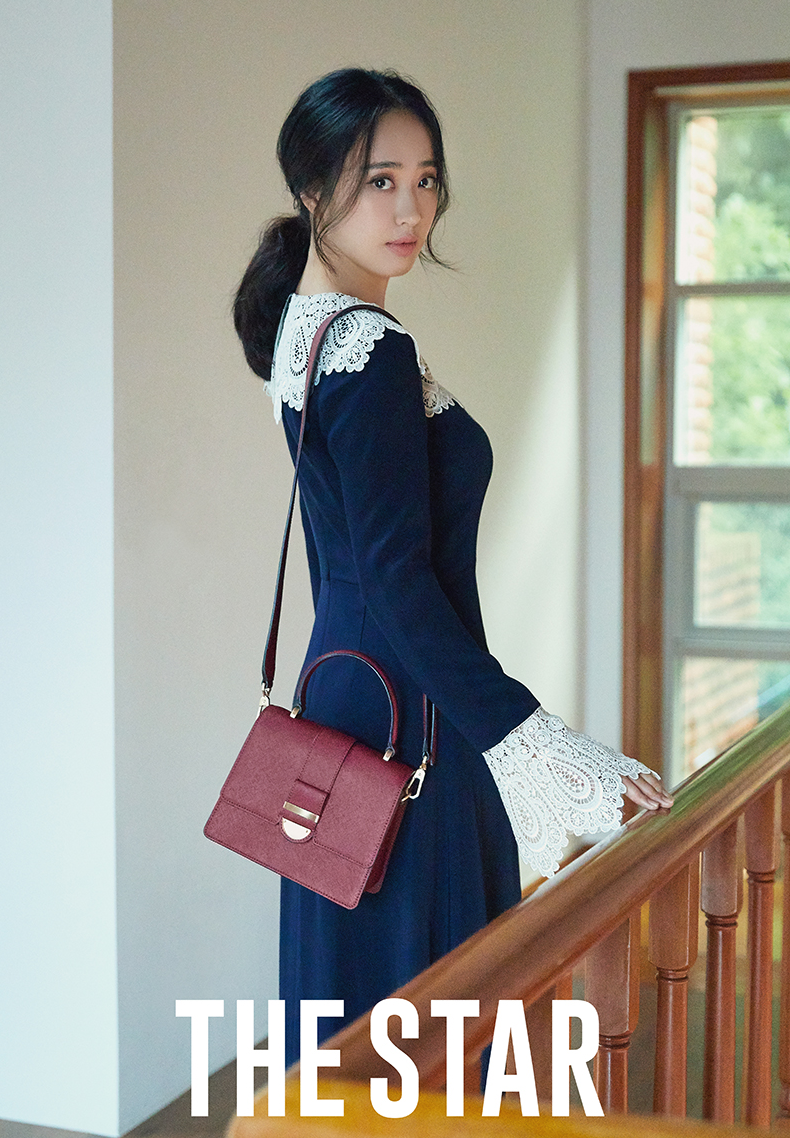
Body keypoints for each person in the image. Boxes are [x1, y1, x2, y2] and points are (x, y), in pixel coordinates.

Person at [233, 67, 672, 1065]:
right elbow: (397, 577)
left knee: (364, 1020)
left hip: (346, 696)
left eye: (425, 180)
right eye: (378, 181)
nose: (410, 209)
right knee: (432, 1018)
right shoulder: (369, 345)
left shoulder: (304, 330)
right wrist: (540, 742)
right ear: (313, 190)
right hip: (412, 716)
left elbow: (358, 564)